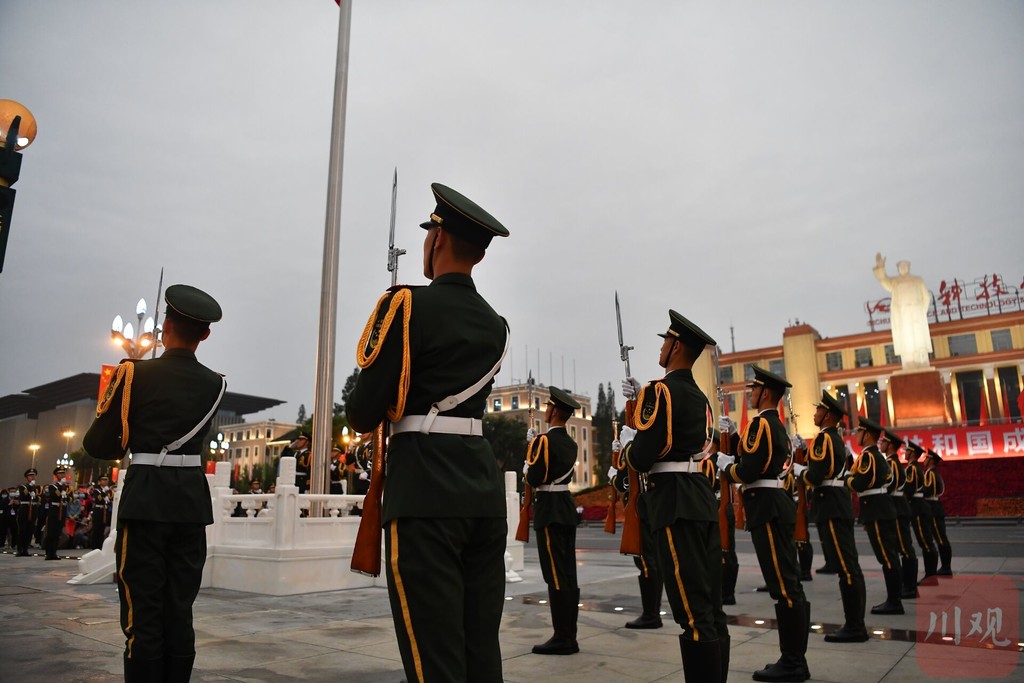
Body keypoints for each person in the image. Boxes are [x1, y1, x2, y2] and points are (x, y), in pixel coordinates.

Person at [347, 182, 510, 683]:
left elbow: (361, 411)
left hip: (424, 490)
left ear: (437, 238)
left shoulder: (405, 306)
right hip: (482, 492)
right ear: (478, 255)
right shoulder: (496, 324)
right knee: (480, 651)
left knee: (432, 659)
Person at [83, 283, 226, 682]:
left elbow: (97, 443)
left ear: (164, 326)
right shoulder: (216, 384)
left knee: (142, 614)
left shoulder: (133, 373)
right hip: (190, 507)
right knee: (179, 610)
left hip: (146, 499)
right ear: (206, 334)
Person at [622, 310, 727, 682]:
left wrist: (628, 441)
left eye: (665, 341)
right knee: (711, 608)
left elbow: (644, 455)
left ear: (676, 345)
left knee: (691, 612)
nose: (662, 347)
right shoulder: (698, 396)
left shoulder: (660, 390)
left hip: (672, 500)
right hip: (698, 495)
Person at [719, 365, 810, 682]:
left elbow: (749, 469)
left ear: (766, 393)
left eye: (754, 389)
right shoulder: (772, 425)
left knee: (784, 586)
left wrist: (727, 467)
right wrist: (731, 437)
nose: (751, 393)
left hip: (767, 507)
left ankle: (793, 662)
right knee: (786, 583)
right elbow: (755, 455)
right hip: (772, 505)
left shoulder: (762, 424)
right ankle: (793, 658)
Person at [794, 391, 868, 643]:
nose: (814, 413)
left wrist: (798, 471)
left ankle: (855, 626)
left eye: (818, 410)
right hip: (835, 504)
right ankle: (854, 624)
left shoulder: (824, 439)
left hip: (832, 505)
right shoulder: (831, 439)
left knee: (847, 568)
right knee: (848, 566)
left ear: (827, 415)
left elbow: (815, 477)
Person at [525, 386, 582, 655]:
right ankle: (570, 634)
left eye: (548, 407)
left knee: (555, 575)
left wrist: (528, 459)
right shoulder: (571, 444)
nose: (546, 410)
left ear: (555, 411)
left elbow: (534, 478)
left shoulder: (544, 441)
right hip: (566, 508)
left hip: (549, 509)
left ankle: (563, 637)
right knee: (568, 573)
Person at [844, 417, 903, 616]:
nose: (856, 435)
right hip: (878, 508)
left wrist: (846, 478)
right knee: (888, 555)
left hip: (876, 508)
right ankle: (894, 599)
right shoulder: (873, 456)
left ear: (867, 434)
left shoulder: (869, 456)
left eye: (859, 432)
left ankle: (894, 601)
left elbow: (860, 483)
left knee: (887, 556)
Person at [610, 425, 668, 623]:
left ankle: (651, 614)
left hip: (641, 508)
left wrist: (626, 450)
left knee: (646, 562)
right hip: (649, 506)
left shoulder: (638, 448)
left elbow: (622, 482)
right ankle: (651, 612)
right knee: (651, 562)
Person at [872, 253, 933, 370]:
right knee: (907, 337)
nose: (903, 268)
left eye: (905, 266)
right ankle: (909, 361)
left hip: (916, 312)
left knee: (918, 337)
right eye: (900, 266)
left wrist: (921, 312)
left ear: (909, 267)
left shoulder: (917, 280)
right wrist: (881, 268)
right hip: (903, 314)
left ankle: (921, 360)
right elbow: (884, 281)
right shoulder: (895, 281)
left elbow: (926, 298)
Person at [880, 428, 918, 598]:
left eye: (884, 442)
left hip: (897, 506)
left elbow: (890, 485)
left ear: (890, 445)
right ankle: (907, 584)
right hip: (897, 506)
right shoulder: (891, 461)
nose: (881, 444)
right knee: (901, 547)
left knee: (904, 547)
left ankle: (909, 587)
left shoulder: (892, 463)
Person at [903, 440, 938, 582]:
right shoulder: (915, 468)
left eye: (907, 451)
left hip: (917, 506)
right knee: (926, 541)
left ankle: (931, 576)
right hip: (919, 505)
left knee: (925, 541)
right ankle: (931, 575)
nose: (905, 453)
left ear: (912, 453)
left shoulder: (912, 468)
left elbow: (909, 488)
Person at [922, 449, 953, 576]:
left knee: (940, 538)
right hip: (933, 507)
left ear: (931, 461)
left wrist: (917, 491)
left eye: (926, 458)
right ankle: (945, 566)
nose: (924, 460)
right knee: (939, 537)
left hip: (933, 507)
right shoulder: (931, 473)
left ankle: (946, 567)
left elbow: (930, 490)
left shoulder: (931, 474)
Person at [41, 466, 69, 560]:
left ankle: (54, 552)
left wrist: (65, 492)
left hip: (62, 510)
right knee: (51, 532)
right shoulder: (52, 486)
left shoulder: (67, 487)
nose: (62, 475)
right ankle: (48, 553)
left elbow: (70, 498)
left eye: (63, 473)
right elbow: (55, 495)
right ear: (56, 475)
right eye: (60, 473)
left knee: (58, 533)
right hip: (54, 510)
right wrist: (62, 488)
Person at [15, 468, 41, 556]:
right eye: (30, 476)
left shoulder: (37, 487)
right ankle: (19, 549)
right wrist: (30, 487)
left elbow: (40, 498)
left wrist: (35, 496)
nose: (33, 477)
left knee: (30, 530)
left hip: (33, 509)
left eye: (34, 475)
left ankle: (25, 549)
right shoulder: (22, 487)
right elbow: (22, 495)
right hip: (25, 508)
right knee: (22, 529)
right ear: (27, 477)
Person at [89, 476, 113, 550]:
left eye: (106, 480)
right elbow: (98, 499)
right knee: (96, 530)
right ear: (99, 481)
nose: (105, 481)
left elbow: (110, 500)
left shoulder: (108, 491)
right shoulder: (97, 490)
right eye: (103, 480)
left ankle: (100, 547)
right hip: (98, 511)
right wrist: (104, 493)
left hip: (104, 512)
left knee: (102, 530)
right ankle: (94, 547)